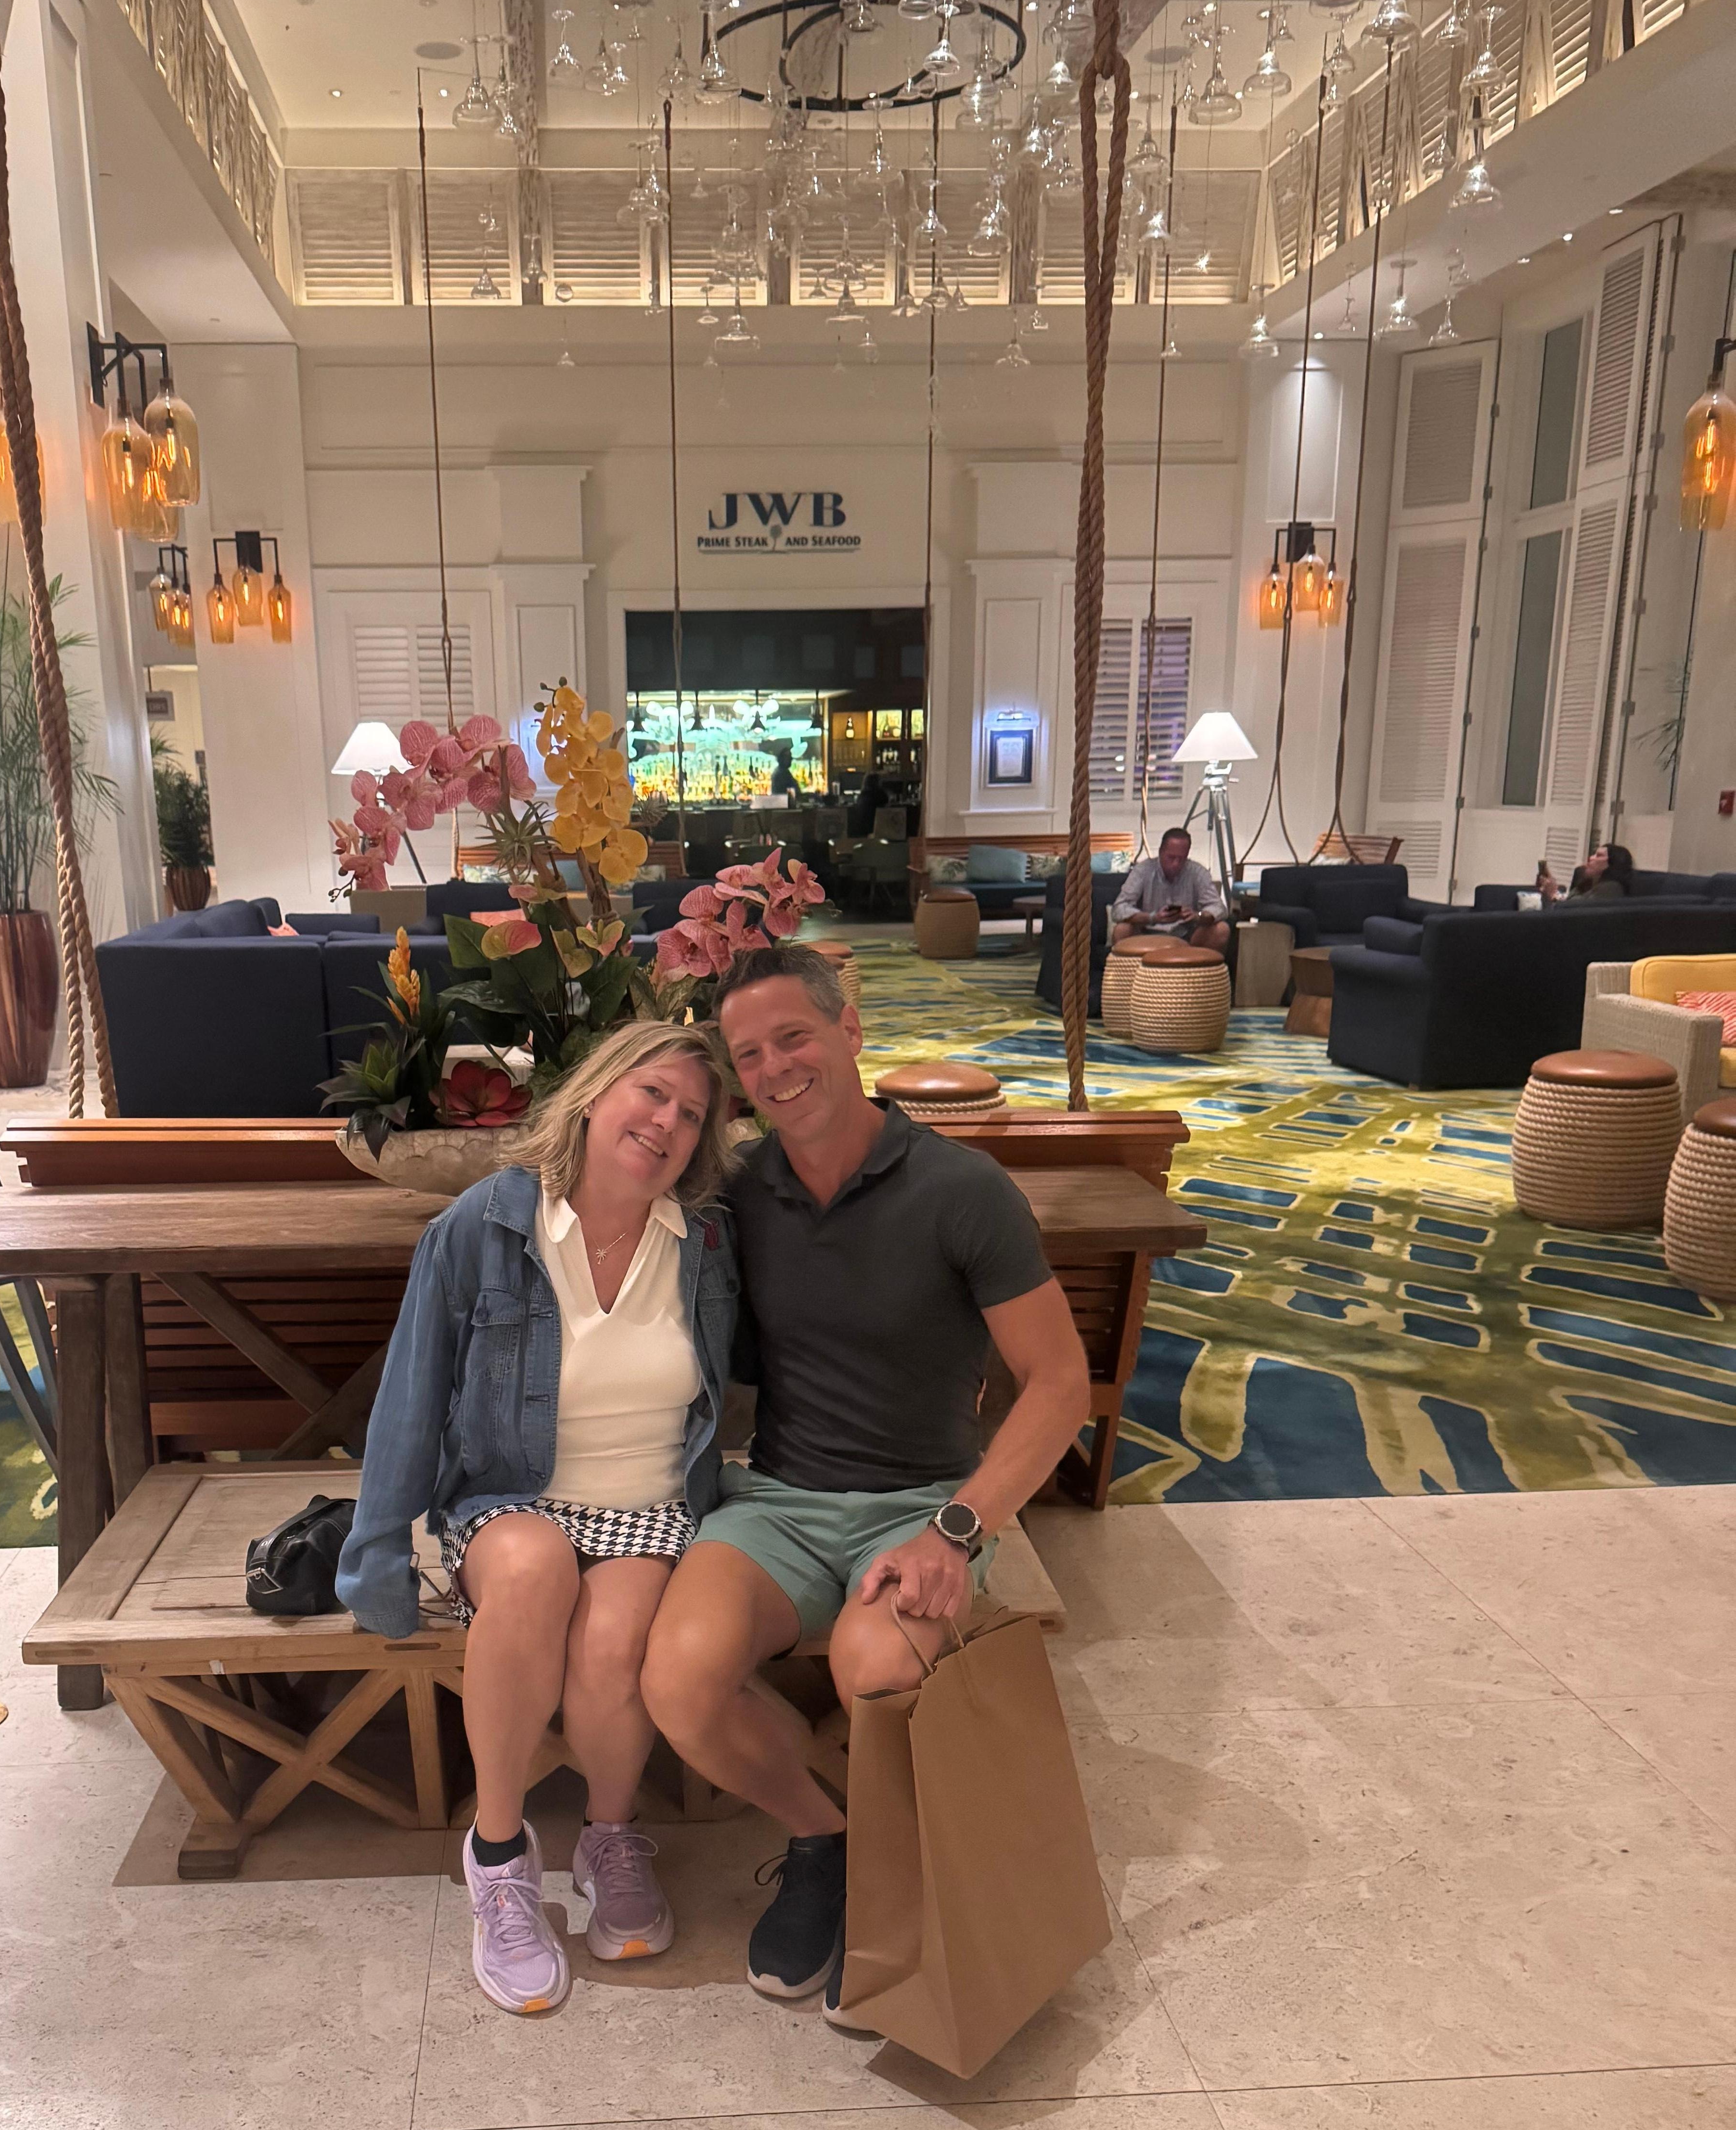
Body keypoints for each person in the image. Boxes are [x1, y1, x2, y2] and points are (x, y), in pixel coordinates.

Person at [640, 946, 1094, 2030]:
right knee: (680, 1681)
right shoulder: (738, 1194)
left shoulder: (962, 1190)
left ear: (849, 1031)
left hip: (923, 1501)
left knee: (876, 1666)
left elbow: (1060, 1385)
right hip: (779, 1498)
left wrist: (956, 1530)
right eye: (749, 1055)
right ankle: (826, 1841)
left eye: (793, 1036)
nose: (774, 1068)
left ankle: (897, 1893)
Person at [337, 1024, 742, 2017]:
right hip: (510, 1491)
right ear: (597, 1093)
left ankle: (609, 1836)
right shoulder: (485, 1225)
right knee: (531, 1573)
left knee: (612, 1640)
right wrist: (376, 1553)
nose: (667, 1124)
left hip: (649, 1501)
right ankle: (499, 1855)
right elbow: (411, 1395)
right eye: (652, 1094)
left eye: (692, 1115)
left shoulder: (703, 1244)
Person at [1110, 824, 1230, 950]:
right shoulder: (1143, 870)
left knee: (1221, 929)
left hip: (1188, 935)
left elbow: (1219, 908)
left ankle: (1196, 961)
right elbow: (1119, 909)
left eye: (1182, 859)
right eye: (1171, 858)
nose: (1176, 864)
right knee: (1122, 930)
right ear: (1160, 852)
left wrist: (1198, 916)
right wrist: (1153, 918)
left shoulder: (1198, 872)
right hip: (1147, 933)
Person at [1538, 841, 1636, 905]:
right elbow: (1568, 900)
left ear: (1612, 864)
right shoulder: (1589, 882)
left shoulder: (1611, 888)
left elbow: (1572, 914)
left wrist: (1551, 895)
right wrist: (1553, 891)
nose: (1591, 858)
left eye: (1599, 856)